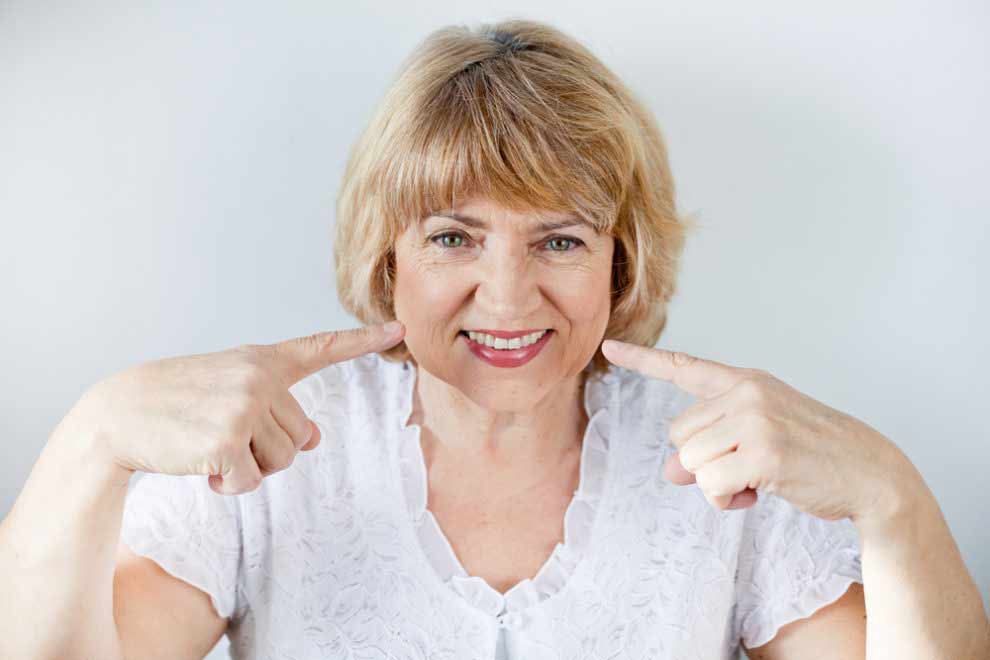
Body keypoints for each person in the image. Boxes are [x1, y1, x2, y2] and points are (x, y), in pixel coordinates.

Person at [1, 17, 987, 660]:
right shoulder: (272, 455)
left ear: (620, 256)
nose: (508, 296)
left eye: (558, 238)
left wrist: (890, 498)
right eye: (453, 236)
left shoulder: (727, 467)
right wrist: (89, 444)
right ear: (389, 257)